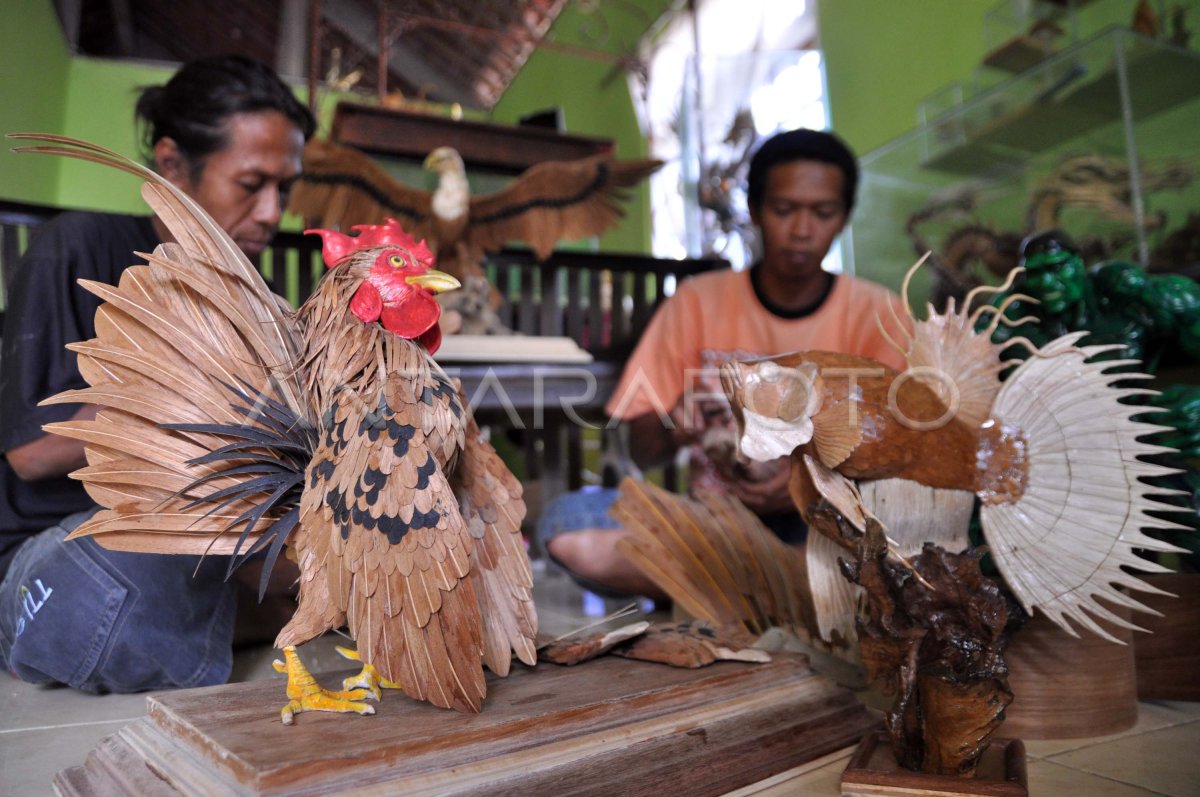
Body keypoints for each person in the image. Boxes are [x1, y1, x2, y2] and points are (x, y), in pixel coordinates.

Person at [0, 55, 315, 692]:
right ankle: (251, 615)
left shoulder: (249, 292)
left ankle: (243, 614)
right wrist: (197, 395)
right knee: (125, 583)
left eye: (285, 187)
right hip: (67, 544)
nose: (270, 212)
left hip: (197, 534)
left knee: (361, 550)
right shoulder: (79, 246)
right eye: (250, 183)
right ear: (172, 165)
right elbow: (30, 452)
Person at [537, 128, 909, 598]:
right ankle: (786, 585)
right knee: (567, 527)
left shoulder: (879, 314)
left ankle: (744, 582)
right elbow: (642, 448)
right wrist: (675, 423)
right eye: (783, 209)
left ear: (845, 217)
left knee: (898, 537)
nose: (801, 229)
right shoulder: (697, 303)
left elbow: (902, 450)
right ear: (754, 210)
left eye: (822, 212)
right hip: (714, 522)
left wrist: (804, 485)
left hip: (827, 523)